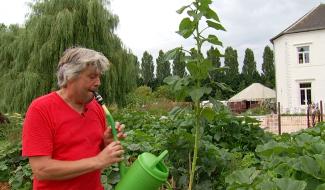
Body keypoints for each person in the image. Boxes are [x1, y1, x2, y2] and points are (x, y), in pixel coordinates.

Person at [22, 47, 126, 190]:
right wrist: (98, 161)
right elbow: (41, 170)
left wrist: (105, 143)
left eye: (99, 76)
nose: (98, 83)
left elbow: (88, 153)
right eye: (92, 77)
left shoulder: (96, 108)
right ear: (70, 76)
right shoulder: (41, 109)